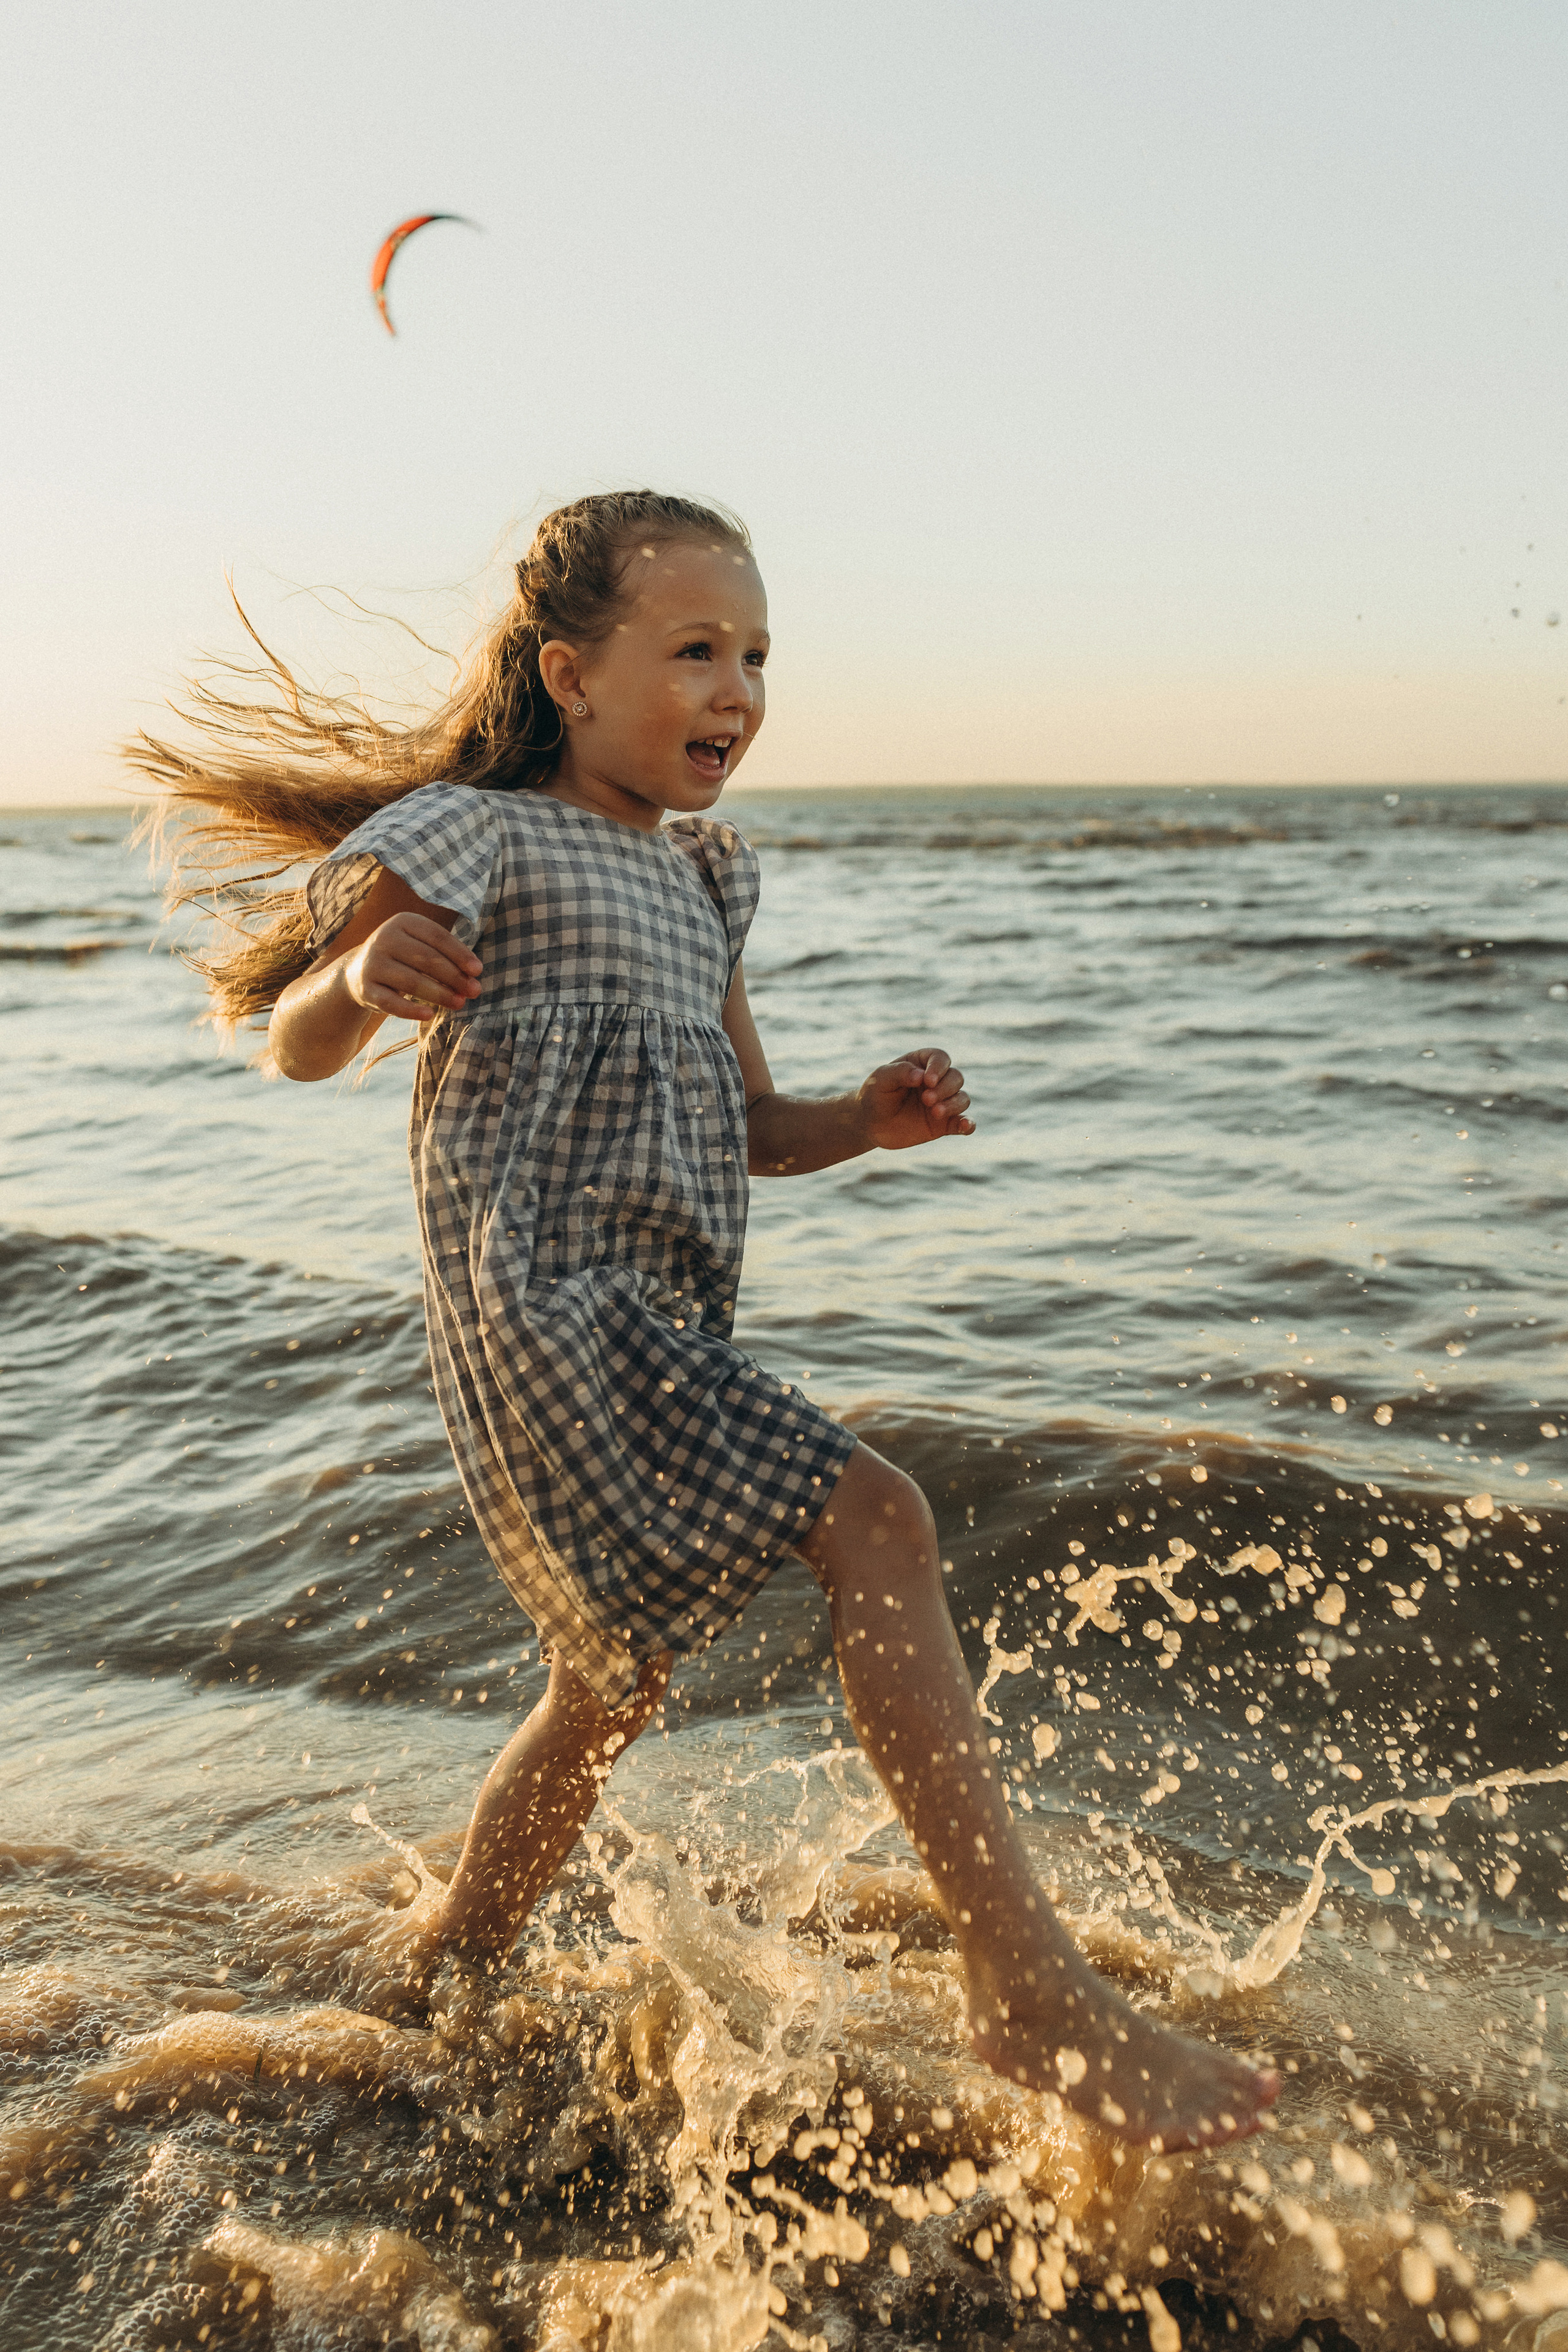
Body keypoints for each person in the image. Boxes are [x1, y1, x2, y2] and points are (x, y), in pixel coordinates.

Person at [134, 489, 1276, 2149]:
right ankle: (1025, 1993)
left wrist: (863, 1121)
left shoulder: (703, 886)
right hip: (541, 1305)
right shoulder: (481, 833)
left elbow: (740, 1127)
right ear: (572, 676)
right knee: (875, 1515)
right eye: (694, 650)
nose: (734, 687)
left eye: (754, 654)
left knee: (610, 1683)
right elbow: (302, 1043)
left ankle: (442, 1969)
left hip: (654, 1309)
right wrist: (350, 985)